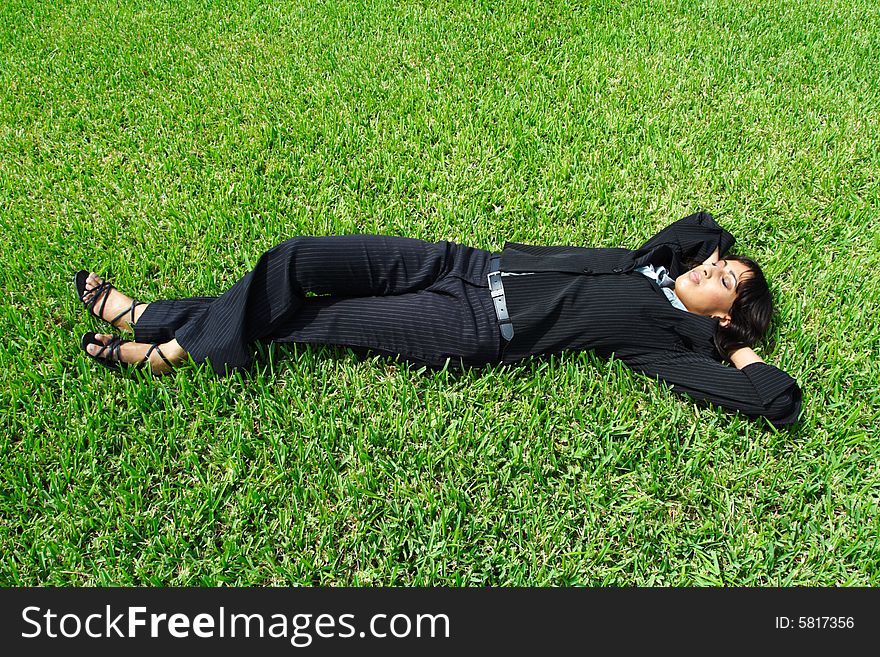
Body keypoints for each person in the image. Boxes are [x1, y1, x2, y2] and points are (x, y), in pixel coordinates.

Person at [76, 211, 802, 426]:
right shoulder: (655, 262)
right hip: (459, 262)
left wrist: (735, 343)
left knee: (314, 322)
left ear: (726, 317)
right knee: (295, 261)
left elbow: (774, 398)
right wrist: (716, 263)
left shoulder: (665, 334)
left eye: (726, 283)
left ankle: (161, 337)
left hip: (466, 326)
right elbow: (702, 225)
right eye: (719, 263)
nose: (712, 269)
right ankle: (164, 323)